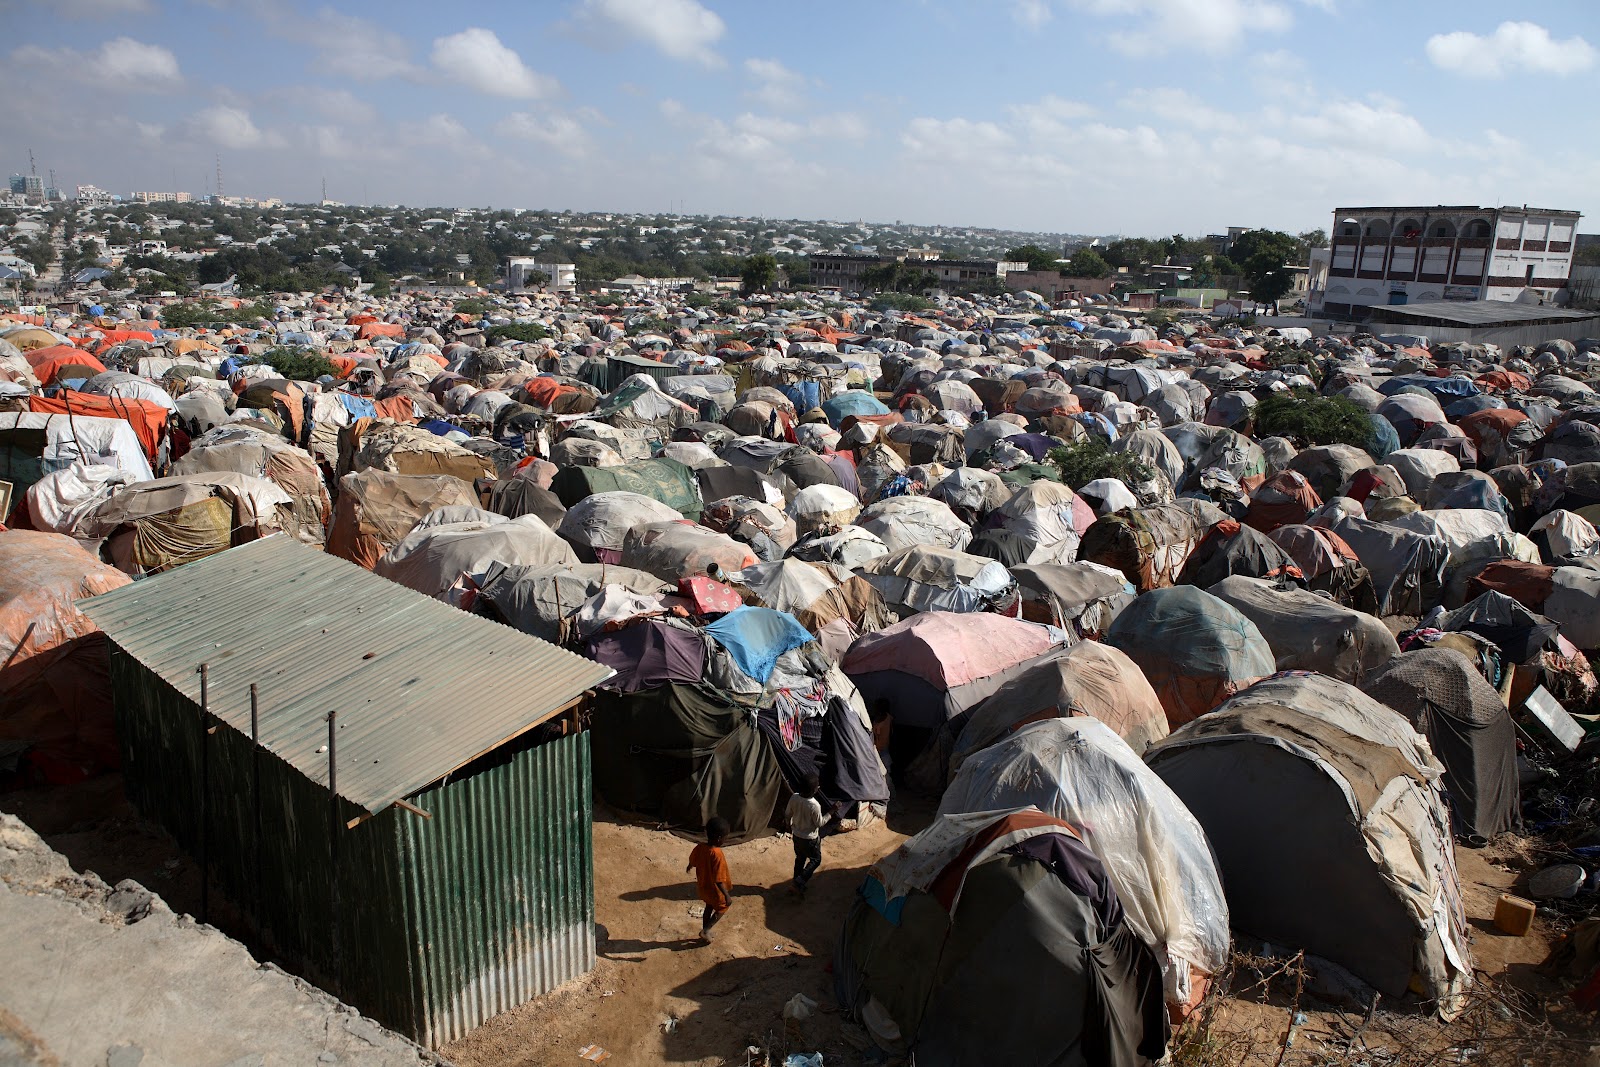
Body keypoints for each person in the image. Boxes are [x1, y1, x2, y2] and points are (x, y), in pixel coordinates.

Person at [686, 816, 732, 943]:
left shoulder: (700, 847)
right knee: (722, 908)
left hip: (703, 887)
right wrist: (726, 895)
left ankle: (705, 931)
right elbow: (719, 879)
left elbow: (692, 860)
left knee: (709, 906)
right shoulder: (717, 854)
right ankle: (706, 930)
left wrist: (689, 866)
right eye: (725, 837)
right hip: (715, 890)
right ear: (719, 838)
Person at [787, 775, 824, 898]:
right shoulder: (814, 805)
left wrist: (788, 825)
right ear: (815, 790)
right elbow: (819, 823)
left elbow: (788, 814)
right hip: (810, 839)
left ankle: (795, 882)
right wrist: (832, 812)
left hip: (797, 836)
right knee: (815, 860)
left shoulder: (794, 797)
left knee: (800, 858)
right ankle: (799, 881)